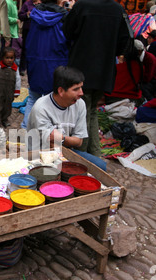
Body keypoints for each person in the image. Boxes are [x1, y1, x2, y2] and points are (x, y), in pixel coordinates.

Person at [62, 0, 132, 157]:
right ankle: (94, 154)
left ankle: (81, 156)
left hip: (82, 67)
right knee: (91, 110)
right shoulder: (117, 9)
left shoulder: (82, 6)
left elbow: (67, 30)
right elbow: (125, 41)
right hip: (104, 71)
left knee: (83, 112)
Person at [27, 66, 106, 171]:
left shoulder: (80, 104)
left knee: (100, 166)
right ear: (61, 91)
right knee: (54, 174)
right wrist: (68, 140)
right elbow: (50, 143)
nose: (81, 93)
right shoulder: (41, 108)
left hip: (66, 152)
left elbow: (79, 142)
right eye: (76, 89)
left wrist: (62, 138)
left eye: (81, 87)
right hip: (41, 154)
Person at [20, 0, 70, 129]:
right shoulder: (64, 17)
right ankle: (50, 134)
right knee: (55, 100)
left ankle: (26, 129)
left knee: (33, 97)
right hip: (57, 63)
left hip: (36, 62)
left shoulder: (35, 14)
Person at [0, 47, 21, 128]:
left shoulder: (15, 69)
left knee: (7, 106)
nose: (9, 60)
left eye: (11, 58)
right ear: (2, 58)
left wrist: (16, 92)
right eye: (7, 58)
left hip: (10, 92)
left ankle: (5, 119)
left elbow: (18, 81)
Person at [18, 0, 41, 75]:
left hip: (37, 30)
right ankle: (22, 68)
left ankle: (33, 68)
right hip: (27, 30)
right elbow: (20, 16)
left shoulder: (42, 4)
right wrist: (27, 15)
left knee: (36, 49)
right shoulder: (27, 3)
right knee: (25, 49)